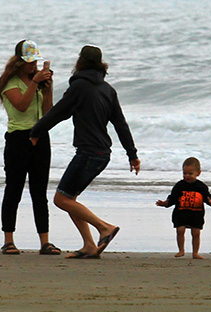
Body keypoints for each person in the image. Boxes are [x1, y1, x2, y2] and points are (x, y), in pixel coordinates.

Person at [29, 45, 140, 259]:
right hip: (102, 154)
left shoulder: (79, 87)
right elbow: (120, 124)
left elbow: (59, 113)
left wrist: (36, 132)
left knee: (61, 200)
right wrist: (132, 154)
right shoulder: (108, 89)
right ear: (100, 64)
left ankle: (104, 228)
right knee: (70, 198)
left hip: (88, 153)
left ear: (79, 62)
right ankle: (89, 245)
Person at [0, 40, 59, 255]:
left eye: (36, 62)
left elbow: (47, 112)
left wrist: (47, 89)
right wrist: (34, 83)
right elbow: (21, 106)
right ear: (20, 62)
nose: (34, 66)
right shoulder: (10, 83)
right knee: (14, 189)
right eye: (30, 62)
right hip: (18, 139)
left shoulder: (37, 82)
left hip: (40, 137)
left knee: (39, 192)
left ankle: (45, 241)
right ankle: (8, 239)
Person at [156, 157, 211, 259]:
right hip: (181, 213)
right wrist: (166, 203)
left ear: (198, 173)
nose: (187, 176)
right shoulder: (179, 185)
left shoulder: (201, 186)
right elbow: (173, 197)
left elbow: (207, 196)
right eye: (184, 173)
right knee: (180, 230)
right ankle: (181, 250)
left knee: (196, 233)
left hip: (196, 214)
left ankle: (195, 253)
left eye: (190, 174)